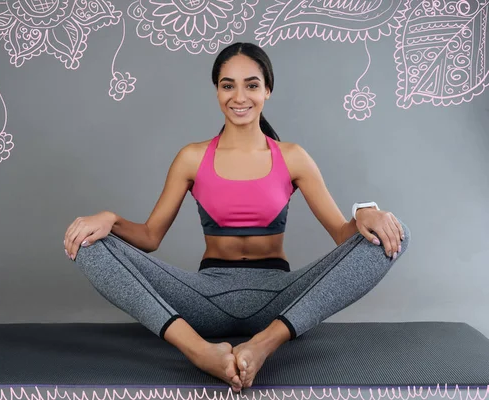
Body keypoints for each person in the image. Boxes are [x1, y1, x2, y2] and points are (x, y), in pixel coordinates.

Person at [63, 42, 410, 392]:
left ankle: (263, 344)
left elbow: (341, 234)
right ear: (217, 90)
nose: (239, 96)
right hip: (203, 299)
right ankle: (199, 352)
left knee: (394, 235)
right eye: (228, 85)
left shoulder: (293, 157)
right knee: (90, 245)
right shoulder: (192, 157)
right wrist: (110, 220)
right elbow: (150, 237)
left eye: (252, 84)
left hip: (281, 298)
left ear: (267, 90)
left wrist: (365, 211)